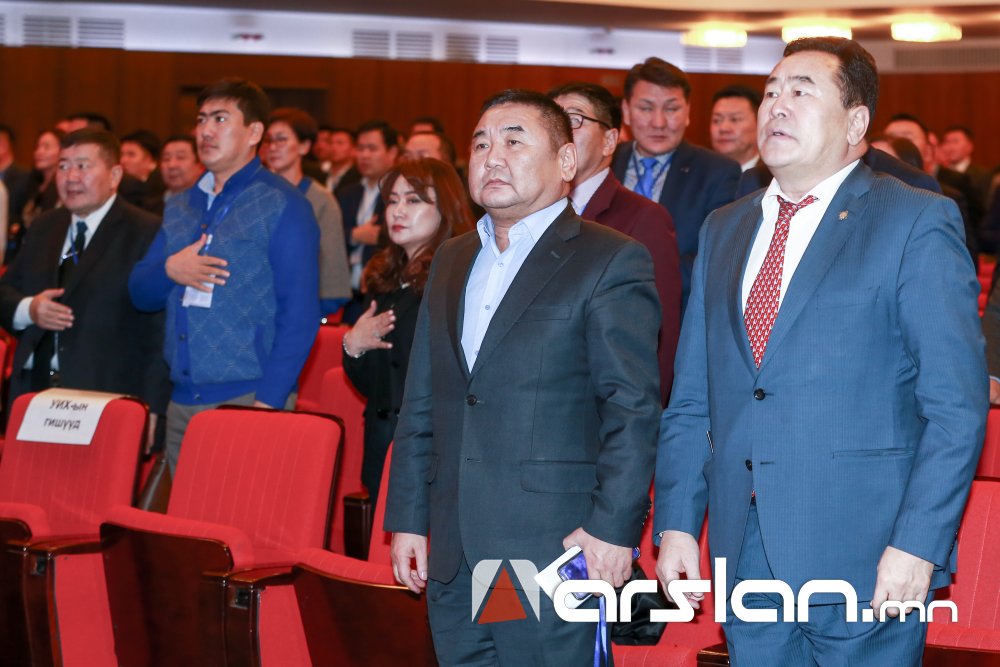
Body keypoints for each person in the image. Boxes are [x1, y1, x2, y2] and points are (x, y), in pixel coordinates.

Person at [654, 37, 986, 665]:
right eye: (770, 92)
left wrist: (918, 544)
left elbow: (954, 406)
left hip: (868, 550)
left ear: (856, 123)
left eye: (801, 92)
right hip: (745, 548)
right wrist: (676, 521)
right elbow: (694, 397)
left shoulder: (914, 220)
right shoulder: (725, 226)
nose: (777, 105)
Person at [386, 89, 661, 666]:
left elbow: (631, 409)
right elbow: (424, 398)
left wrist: (612, 529)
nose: (493, 157)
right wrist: (408, 519)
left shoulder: (609, 258)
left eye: (514, 141)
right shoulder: (452, 257)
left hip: (549, 546)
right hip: (455, 548)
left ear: (566, 161)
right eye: (481, 143)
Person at [129, 77, 320, 474]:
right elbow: (140, 293)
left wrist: (268, 403)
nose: (205, 131)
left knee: (242, 510)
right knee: (186, 512)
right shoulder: (181, 204)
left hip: (248, 398)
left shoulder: (284, 204)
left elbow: (300, 315)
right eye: (201, 120)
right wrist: (170, 270)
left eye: (220, 119)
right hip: (182, 400)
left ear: (254, 132)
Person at [0, 129, 168, 418]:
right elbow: (5, 292)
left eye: (83, 166)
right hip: (34, 391)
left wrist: (151, 408)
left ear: (114, 175)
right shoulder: (45, 226)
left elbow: (157, 331)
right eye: (63, 166)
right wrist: (31, 309)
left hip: (104, 396)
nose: (71, 177)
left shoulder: (145, 231)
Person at [342, 157, 472, 507]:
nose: (398, 211)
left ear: (446, 209)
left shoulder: (454, 280)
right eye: (392, 201)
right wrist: (353, 345)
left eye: (413, 200)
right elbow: (376, 385)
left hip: (430, 446)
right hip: (382, 440)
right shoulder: (384, 277)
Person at [549, 80, 681, 403]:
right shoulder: (535, 214)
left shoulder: (644, 218)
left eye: (574, 120)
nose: (561, 132)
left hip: (603, 407)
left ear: (609, 141)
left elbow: (662, 338)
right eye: (551, 121)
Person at [612, 57, 740, 311]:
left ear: (687, 112)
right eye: (646, 108)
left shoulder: (717, 172)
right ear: (626, 110)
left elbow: (715, 258)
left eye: (671, 109)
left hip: (676, 312)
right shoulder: (606, 163)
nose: (659, 122)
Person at [264, 107, 352, 315]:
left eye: (281, 140)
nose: (273, 147)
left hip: (301, 308)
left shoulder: (320, 199)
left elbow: (333, 267)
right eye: (269, 141)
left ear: (304, 146)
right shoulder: (255, 195)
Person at [337, 120, 399, 323]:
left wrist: (379, 235)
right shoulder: (347, 193)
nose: (364, 155)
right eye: (360, 148)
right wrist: (354, 235)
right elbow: (329, 235)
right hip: (348, 296)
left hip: (383, 293)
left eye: (372, 149)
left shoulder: (399, 193)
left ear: (392, 152)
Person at [710, 84, 762, 171]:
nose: (723, 128)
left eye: (735, 119)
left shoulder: (774, 175)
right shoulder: (700, 172)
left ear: (760, 124)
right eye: (717, 120)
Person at [21, 128, 65, 229]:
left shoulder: (62, 187)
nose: (39, 152)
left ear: (62, 151)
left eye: (46, 147)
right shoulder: (34, 183)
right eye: (37, 147)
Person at [160, 135, 204, 203]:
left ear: (200, 165)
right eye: (166, 159)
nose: (171, 165)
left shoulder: (212, 204)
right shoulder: (150, 207)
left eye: (180, 157)